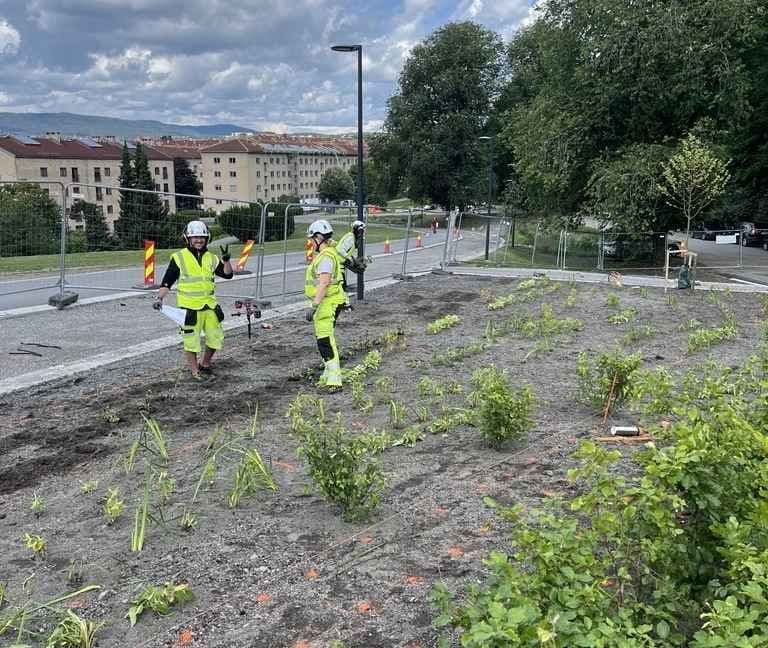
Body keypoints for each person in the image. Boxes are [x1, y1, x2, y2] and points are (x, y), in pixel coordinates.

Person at [153, 220, 233, 380]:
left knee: (215, 338)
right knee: (191, 341)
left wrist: (226, 261)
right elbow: (167, 281)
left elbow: (227, 274)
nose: (199, 240)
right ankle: (195, 371)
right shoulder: (179, 257)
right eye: (195, 237)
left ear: (207, 238)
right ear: (187, 238)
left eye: (202, 237)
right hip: (189, 308)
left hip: (209, 305)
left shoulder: (212, 258)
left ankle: (205, 364)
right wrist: (159, 298)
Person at [305, 219, 347, 392]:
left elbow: (323, 283)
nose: (310, 243)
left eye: (311, 239)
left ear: (318, 237)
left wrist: (314, 306)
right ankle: (327, 374)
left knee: (325, 341)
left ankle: (334, 379)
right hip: (328, 303)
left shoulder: (325, 258)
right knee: (323, 340)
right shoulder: (330, 254)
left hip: (326, 304)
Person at [335, 220, 367, 292]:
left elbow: (347, 250)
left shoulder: (353, 238)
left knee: (343, 286)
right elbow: (340, 249)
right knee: (342, 287)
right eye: (363, 230)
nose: (364, 232)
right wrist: (349, 258)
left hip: (340, 264)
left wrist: (353, 259)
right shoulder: (351, 238)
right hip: (338, 264)